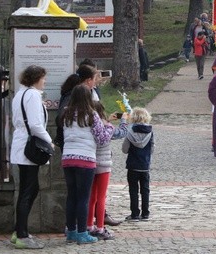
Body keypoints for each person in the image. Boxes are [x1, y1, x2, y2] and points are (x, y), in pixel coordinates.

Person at [61, 84, 114, 244]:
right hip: (85, 159)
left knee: (71, 196)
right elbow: (102, 138)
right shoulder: (92, 115)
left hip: (68, 158)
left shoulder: (67, 114)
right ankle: (83, 232)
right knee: (84, 197)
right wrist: (110, 127)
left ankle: (71, 231)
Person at [10, 65, 51, 249]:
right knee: (29, 190)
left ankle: (18, 229)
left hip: (20, 145)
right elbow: (35, 124)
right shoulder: (33, 95)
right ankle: (22, 234)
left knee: (29, 189)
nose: (45, 81)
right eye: (43, 78)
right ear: (36, 78)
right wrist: (49, 141)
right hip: (29, 147)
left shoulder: (20, 94)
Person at [86, 103, 129, 240]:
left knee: (91, 197)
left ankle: (89, 225)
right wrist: (124, 120)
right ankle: (100, 227)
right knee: (101, 197)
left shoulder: (88, 124)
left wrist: (108, 120)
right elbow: (121, 133)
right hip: (104, 164)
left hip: (91, 162)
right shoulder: (106, 126)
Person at [122, 107, 154, 221]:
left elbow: (124, 149)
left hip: (133, 165)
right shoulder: (150, 132)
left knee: (133, 190)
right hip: (145, 165)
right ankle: (145, 213)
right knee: (145, 189)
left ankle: (135, 213)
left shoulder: (130, 132)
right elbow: (152, 148)